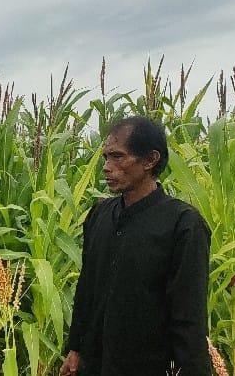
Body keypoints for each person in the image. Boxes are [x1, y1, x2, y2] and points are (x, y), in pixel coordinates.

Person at [59, 116, 212, 375]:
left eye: (117, 157)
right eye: (106, 157)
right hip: (95, 366)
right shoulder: (100, 215)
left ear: (150, 159)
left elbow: (189, 317)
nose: (107, 167)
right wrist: (76, 349)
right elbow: (87, 289)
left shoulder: (182, 225)